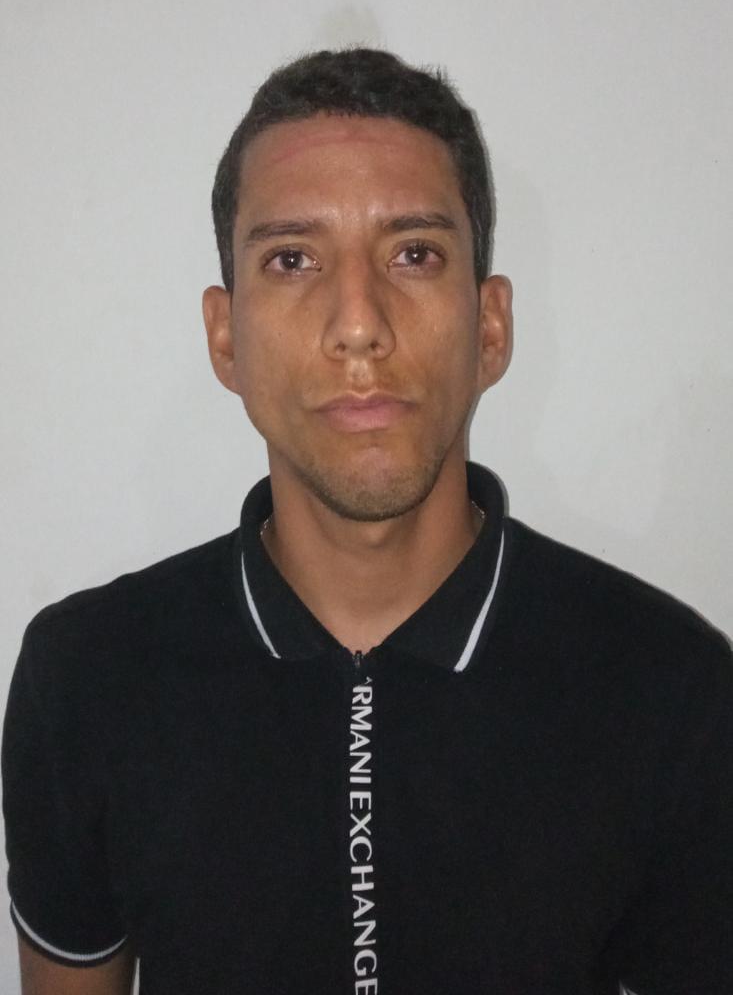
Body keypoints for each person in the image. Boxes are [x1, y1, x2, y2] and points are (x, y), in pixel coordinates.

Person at [2, 48, 731, 995]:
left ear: (490, 327)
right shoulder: (84, 681)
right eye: (292, 259)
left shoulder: (671, 691)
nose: (357, 323)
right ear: (225, 336)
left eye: (413, 253)